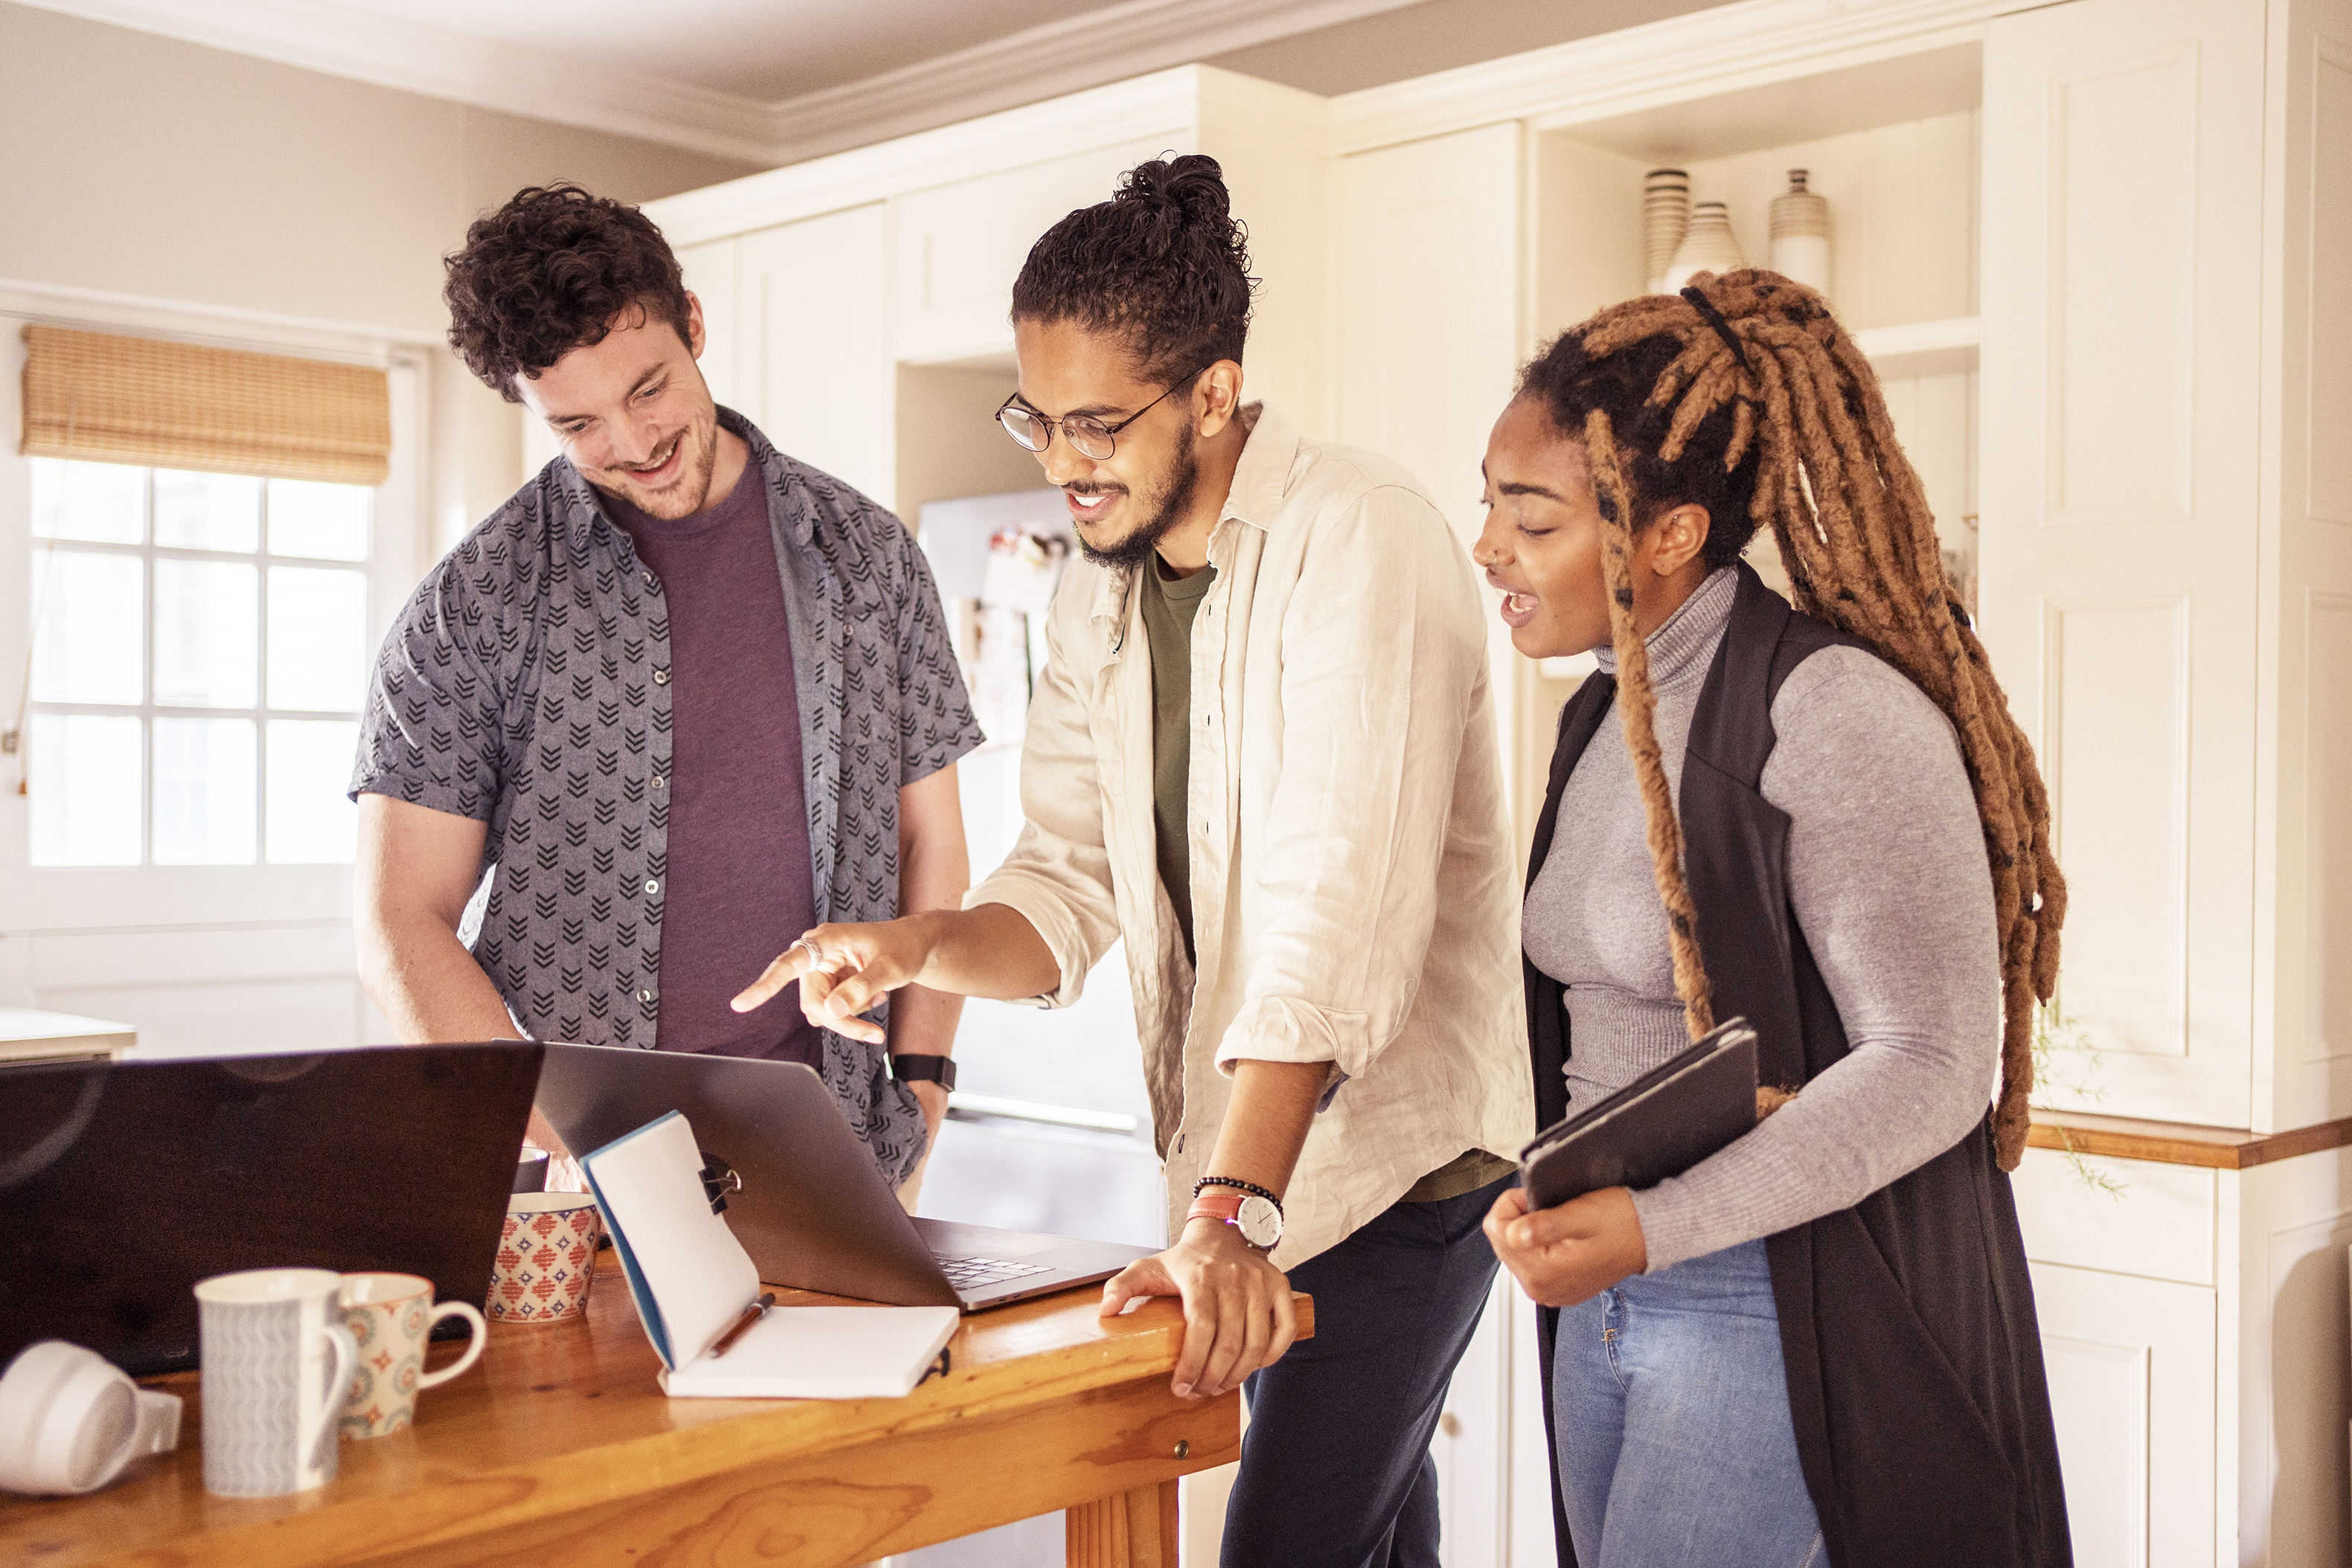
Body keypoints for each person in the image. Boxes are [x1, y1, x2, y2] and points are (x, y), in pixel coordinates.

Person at [731, 155, 1532, 1567]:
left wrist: (1232, 1209)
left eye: (1097, 423)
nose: (1059, 463)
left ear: (1215, 395)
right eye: (1034, 418)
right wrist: (914, 946)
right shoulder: (1093, 592)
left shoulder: (1360, 536)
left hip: (1399, 1173)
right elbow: (1066, 882)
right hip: (1246, 1178)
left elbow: (1331, 912)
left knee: (1280, 1546)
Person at [1475, 271, 2072, 1568]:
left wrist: (1659, 1228)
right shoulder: (1599, 714)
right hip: (1605, 1292)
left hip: (1766, 1296)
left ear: (1669, 533)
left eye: (1530, 518)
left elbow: (1931, 1065)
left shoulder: (1832, 712)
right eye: (1491, 506)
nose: (1487, 548)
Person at [350, 184, 981, 1195]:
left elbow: (929, 841)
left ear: (692, 320)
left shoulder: (869, 557)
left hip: (837, 1156)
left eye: (648, 391)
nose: (634, 446)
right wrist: (559, 1149)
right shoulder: (476, 605)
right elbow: (398, 922)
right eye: (579, 425)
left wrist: (923, 1079)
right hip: (575, 1177)